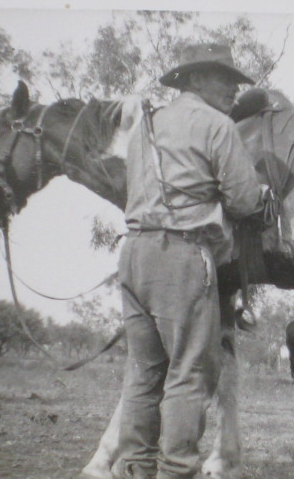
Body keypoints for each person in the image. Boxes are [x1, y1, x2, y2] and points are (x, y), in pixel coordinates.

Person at [111, 43, 267, 479]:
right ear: (194, 78)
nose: (234, 89)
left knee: (143, 374)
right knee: (188, 374)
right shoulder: (216, 125)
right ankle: (178, 471)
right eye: (225, 78)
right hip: (181, 257)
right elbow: (243, 199)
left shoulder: (147, 124)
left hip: (133, 253)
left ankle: (135, 471)